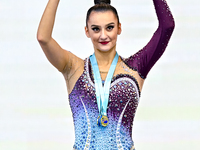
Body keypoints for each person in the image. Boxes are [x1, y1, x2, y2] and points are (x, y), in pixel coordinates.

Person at [37, 0, 175, 149]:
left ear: (119, 28)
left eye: (109, 27)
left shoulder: (136, 68)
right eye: (96, 29)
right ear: (87, 31)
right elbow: (43, 38)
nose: (103, 35)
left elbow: (167, 27)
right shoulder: (73, 67)